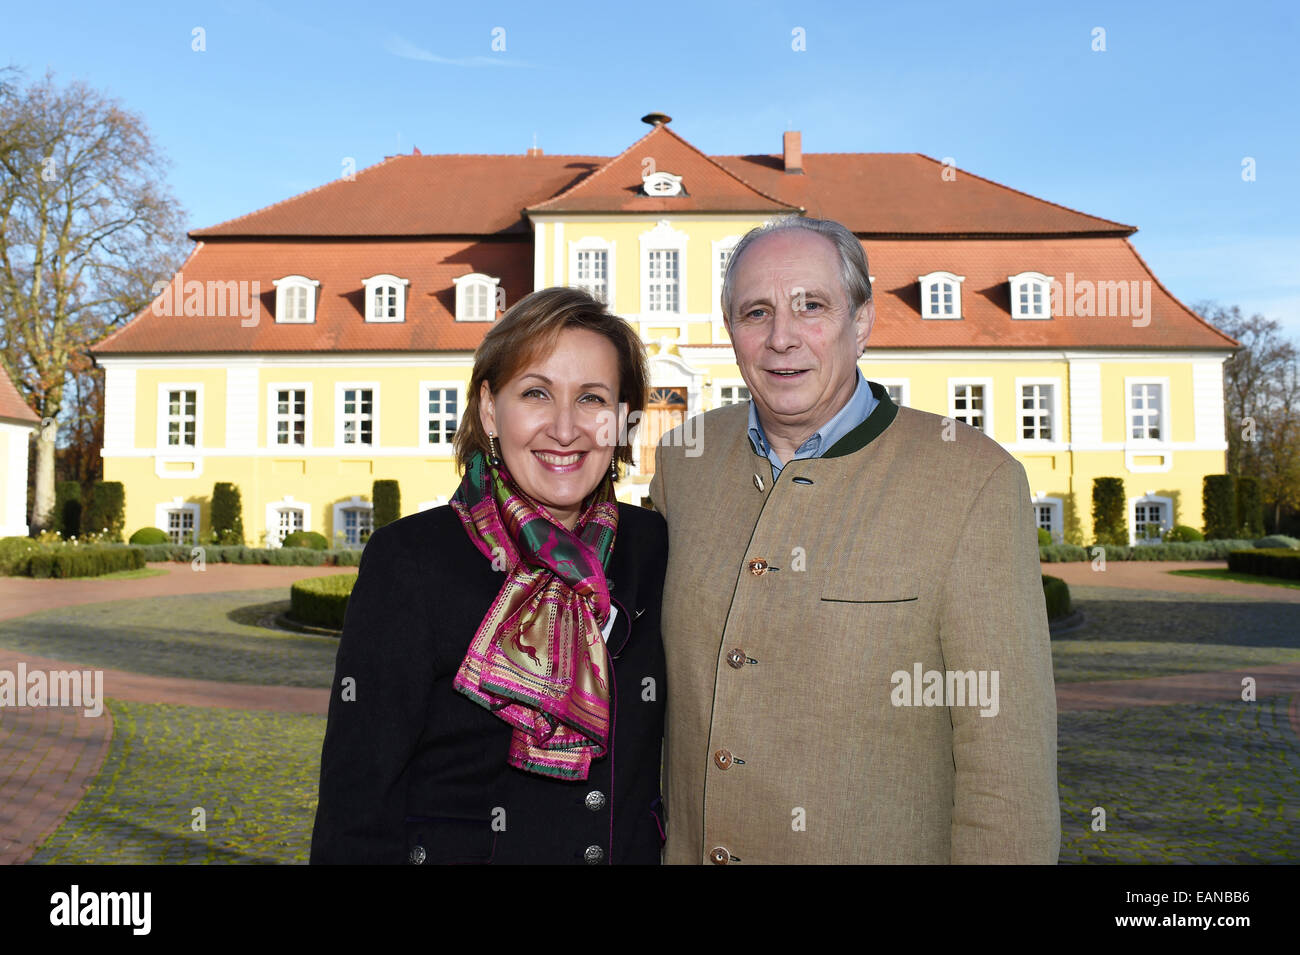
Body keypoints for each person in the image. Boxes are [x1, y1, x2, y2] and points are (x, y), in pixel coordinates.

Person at [650, 217, 1059, 864]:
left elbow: (1007, 774)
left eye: (811, 305)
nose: (782, 337)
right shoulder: (685, 462)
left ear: (862, 320)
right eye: (756, 312)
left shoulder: (972, 479)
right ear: (730, 331)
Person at [311, 287, 667, 865]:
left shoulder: (653, 549)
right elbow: (359, 802)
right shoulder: (412, 560)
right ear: (487, 409)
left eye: (593, 399)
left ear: (622, 421)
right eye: (535, 393)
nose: (565, 428)